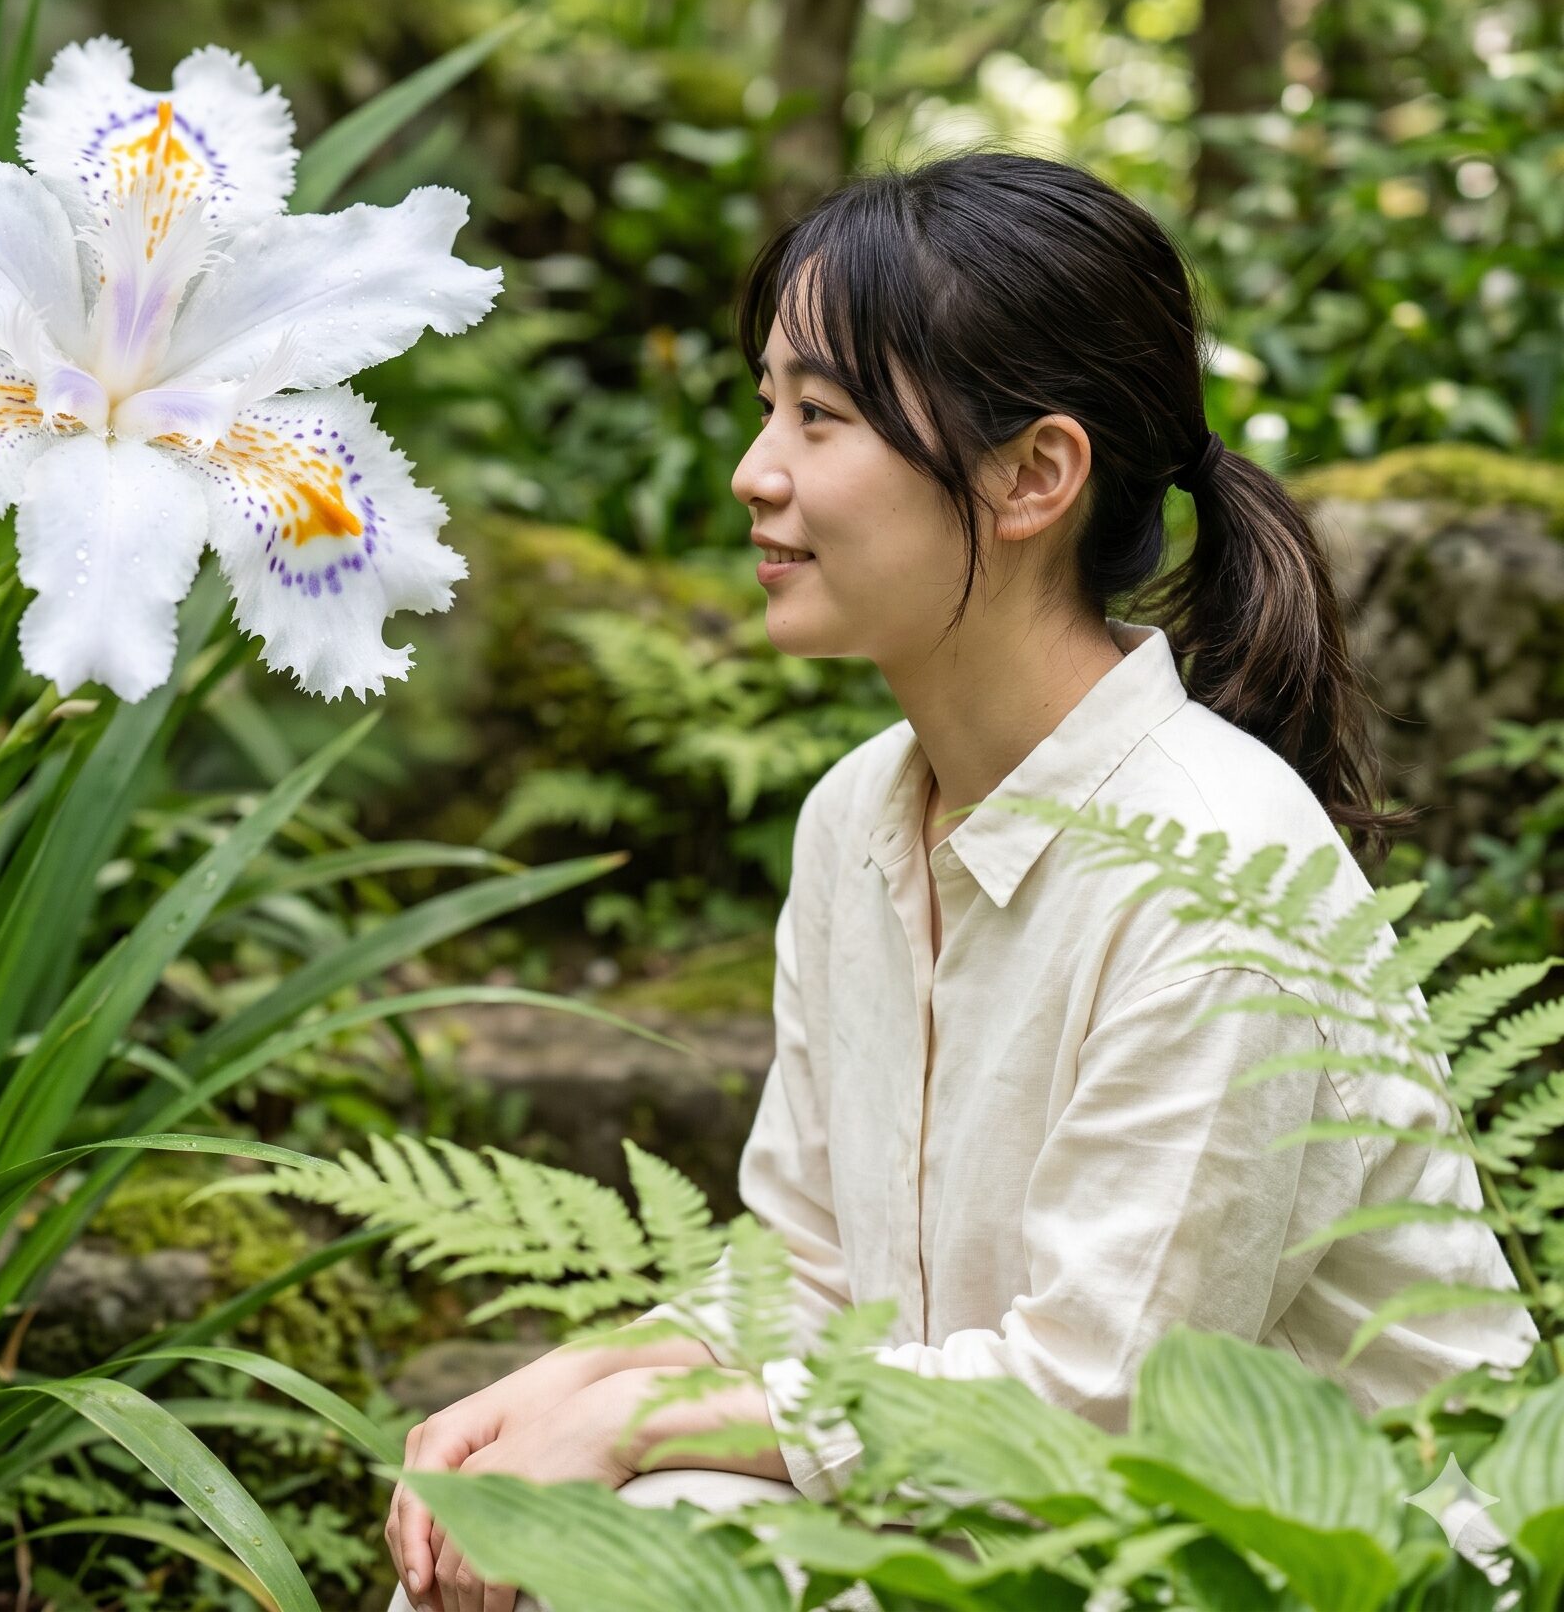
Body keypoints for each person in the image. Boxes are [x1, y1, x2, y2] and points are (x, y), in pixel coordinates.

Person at [384, 153, 1541, 1612]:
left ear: (1033, 476)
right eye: (766, 406)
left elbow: (1100, 1410)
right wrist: (572, 1385)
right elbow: (808, 1279)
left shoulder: (1215, 868)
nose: (756, 471)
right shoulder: (854, 816)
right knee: (512, 1550)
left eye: (823, 416)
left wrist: (634, 1425)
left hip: (1294, 1566)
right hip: (1002, 1528)